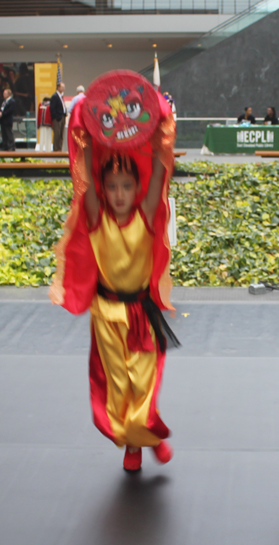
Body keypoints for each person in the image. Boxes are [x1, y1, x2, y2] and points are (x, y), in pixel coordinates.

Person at [50, 72, 178, 472]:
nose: (119, 194)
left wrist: (160, 134)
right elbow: (84, 184)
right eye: (113, 187)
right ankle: (134, 443)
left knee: (144, 382)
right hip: (107, 315)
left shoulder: (146, 216)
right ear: (104, 191)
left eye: (126, 186)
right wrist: (85, 142)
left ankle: (145, 432)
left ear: (136, 189)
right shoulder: (96, 218)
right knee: (118, 386)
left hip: (141, 314)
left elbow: (159, 173)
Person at [50, 82, 66, 151]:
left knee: (61, 134)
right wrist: (56, 117)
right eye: (62, 87)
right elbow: (52, 108)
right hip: (57, 118)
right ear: (58, 87)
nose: (63, 88)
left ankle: (60, 148)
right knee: (57, 134)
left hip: (62, 117)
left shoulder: (61, 96)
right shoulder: (55, 96)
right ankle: (56, 149)